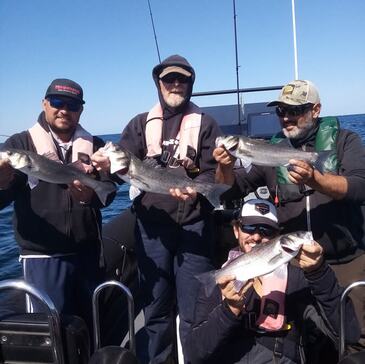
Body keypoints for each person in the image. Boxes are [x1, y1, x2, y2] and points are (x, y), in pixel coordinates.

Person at [214, 80, 365, 351]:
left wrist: (317, 180)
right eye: (281, 111)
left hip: (345, 261)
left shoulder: (346, 141)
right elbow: (230, 190)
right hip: (292, 264)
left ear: (316, 110)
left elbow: (360, 186)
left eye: (295, 110)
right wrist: (223, 168)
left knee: (354, 338)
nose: (286, 117)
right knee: (299, 337)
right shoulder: (272, 151)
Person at [92, 54, 221, 363]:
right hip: (151, 232)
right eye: (169, 79)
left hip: (195, 228)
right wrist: (103, 166)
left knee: (195, 311)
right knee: (156, 309)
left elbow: (212, 171)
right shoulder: (139, 124)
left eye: (182, 79)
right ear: (158, 83)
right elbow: (116, 171)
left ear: (191, 84)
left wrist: (196, 189)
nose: (175, 84)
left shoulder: (207, 123)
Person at [0, 78, 116, 336]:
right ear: (44, 103)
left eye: (72, 105)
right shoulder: (20, 145)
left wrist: (88, 196)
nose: (64, 109)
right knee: (53, 333)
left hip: (88, 255)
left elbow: (107, 194)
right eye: (57, 102)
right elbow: (3, 198)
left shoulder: (95, 145)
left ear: (81, 110)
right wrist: (2, 180)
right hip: (43, 258)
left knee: (91, 328)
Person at [185, 199, 360, 363]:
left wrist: (319, 272)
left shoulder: (298, 278)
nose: (256, 237)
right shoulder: (220, 279)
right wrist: (229, 310)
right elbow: (194, 354)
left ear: (277, 235)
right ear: (236, 230)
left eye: (266, 230)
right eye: (249, 227)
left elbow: (349, 334)